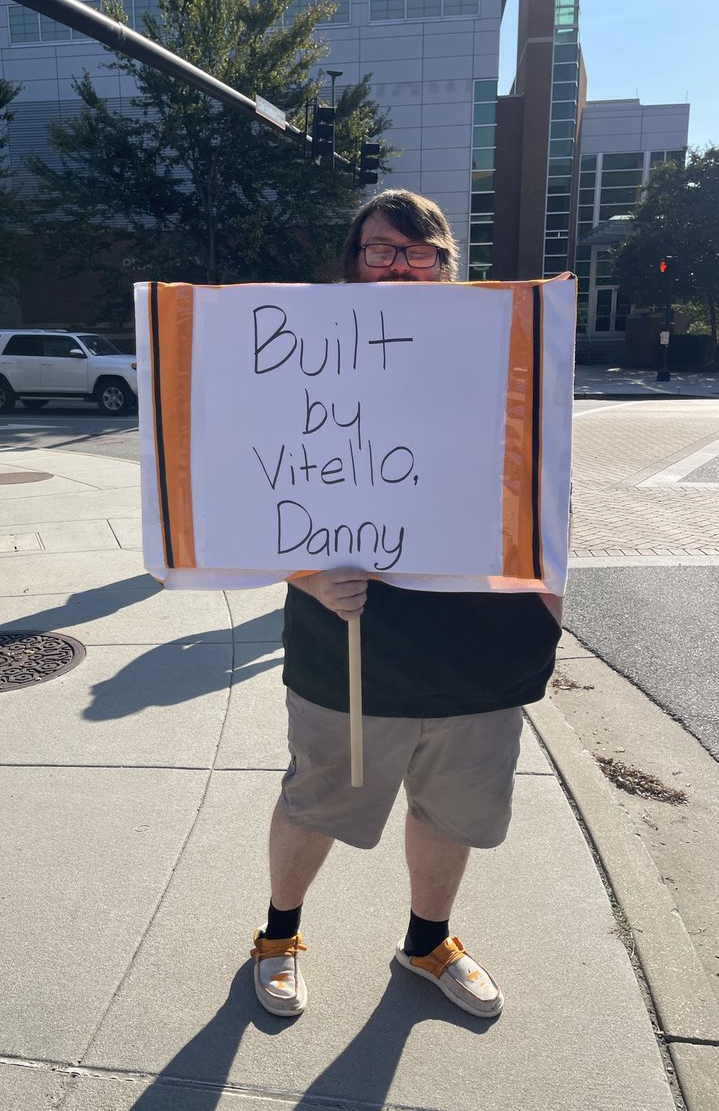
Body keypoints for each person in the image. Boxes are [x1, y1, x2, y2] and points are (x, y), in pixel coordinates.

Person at [250, 189, 563, 1019]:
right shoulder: (294, 353)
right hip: (348, 635)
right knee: (317, 800)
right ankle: (278, 935)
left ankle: (428, 944)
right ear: (352, 264)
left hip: (479, 644)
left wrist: (552, 596)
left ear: (446, 264)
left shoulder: (506, 354)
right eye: (381, 250)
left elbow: (538, 484)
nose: (399, 265)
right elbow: (247, 489)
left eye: (418, 252)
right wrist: (304, 575)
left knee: (453, 808)